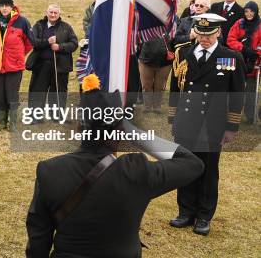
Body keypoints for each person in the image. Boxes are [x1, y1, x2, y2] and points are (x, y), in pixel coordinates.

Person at [26, 74, 204, 258]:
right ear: (120, 132)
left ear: (79, 127)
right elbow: (192, 163)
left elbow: (38, 241)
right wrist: (134, 132)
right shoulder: (136, 171)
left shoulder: (49, 170)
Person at [168, 13, 245, 236]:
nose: (204, 39)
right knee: (185, 166)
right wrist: (173, 119)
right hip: (186, 121)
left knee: (208, 169)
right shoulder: (184, 52)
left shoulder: (229, 57)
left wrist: (231, 127)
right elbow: (175, 89)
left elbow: (237, 94)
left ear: (218, 33)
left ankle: (203, 215)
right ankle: (185, 211)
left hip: (212, 124)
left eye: (209, 35)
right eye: (200, 34)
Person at [0, 0, 34, 131]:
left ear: (12, 6)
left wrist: (19, 55)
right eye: (1, 6)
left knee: (12, 94)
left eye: (6, 5)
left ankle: (13, 123)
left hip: (14, 66)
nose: (4, 8)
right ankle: (2, 122)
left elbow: (30, 43)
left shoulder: (22, 21)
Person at [28, 5, 78, 122]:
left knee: (59, 91)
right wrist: (47, 42)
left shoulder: (66, 27)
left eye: (56, 13)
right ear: (47, 12)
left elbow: (74, 43)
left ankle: (57, 116)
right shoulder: (39, 25)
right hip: (41, 64)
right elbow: (33, 41)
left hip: (60, 66)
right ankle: (35, 117)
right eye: (51, 12)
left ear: (59, 14)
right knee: (38, 90)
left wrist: (60, 47)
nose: (53, 15)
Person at [227, 1, 260, 124]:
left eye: (251, 11)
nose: (249, 14)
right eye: (246, 11)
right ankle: (231, 114)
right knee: (235, 89)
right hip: (238, 60)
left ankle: (250, 116)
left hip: (254, 63)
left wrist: (255, 54)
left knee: (251, 91)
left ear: (256, 12)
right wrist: (242, 48)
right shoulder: (239, 23)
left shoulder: (260, 25)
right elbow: (230, 39)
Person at [137, 31, 174, 112]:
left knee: (160, 86)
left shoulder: (172, 24)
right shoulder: (147, 25)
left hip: (165, 63)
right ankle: (147, 106)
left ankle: (157, 106)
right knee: (146, 86)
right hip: (145, 60)